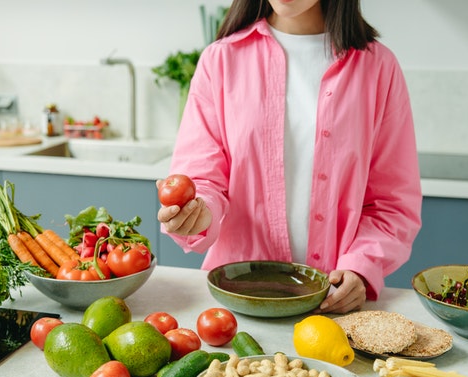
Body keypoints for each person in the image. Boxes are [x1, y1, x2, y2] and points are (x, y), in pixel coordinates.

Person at [157, 0, 422, 314]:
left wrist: (361, 268)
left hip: (336, 308)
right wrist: (197, 212)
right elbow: (203, 181)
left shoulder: (378, 67)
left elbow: (392, 203)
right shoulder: (221, 60)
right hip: (238, 306)